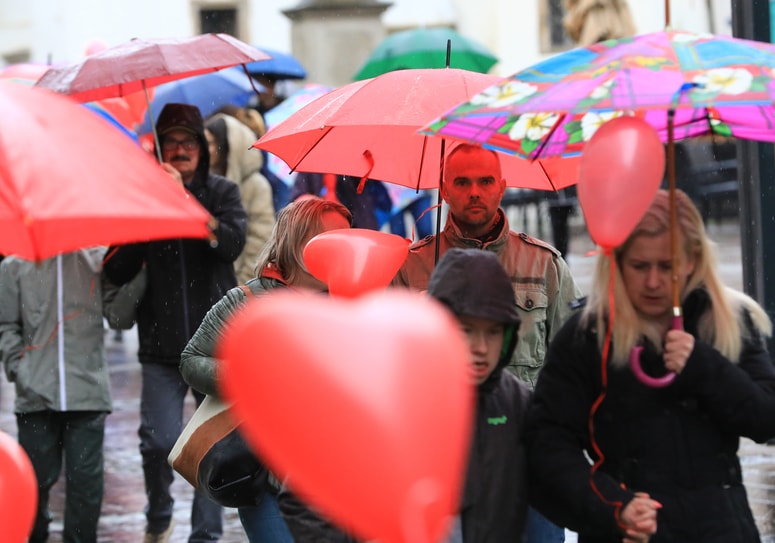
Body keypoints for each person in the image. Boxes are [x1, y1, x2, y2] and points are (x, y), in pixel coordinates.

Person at [526, 189, 775, 542]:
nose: (654, 282)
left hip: (721, 528)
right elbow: (547, 446)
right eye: (640, 267)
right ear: (617, 261)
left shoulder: (724, 321)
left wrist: (704, 366)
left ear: (692, 260)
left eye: (668, 266)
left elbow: (766, 419)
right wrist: (613, 506)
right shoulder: (589, 335)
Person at [392, 143, 580, 542]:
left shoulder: (543, 263)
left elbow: (571, 363)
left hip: (530, 453)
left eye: (484, 181)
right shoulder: (412, 267)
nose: (474, 192)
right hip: (447, 459)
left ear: (502, 187)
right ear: (443, 189)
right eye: (461, 182)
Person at [102, 102, 247, 543]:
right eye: (171, 142)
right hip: (161, 345)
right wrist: (150, 215)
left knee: (213, 447)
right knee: (158, 440)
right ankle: (159, 512)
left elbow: (231, 244)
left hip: (213, 346)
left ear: (202, 148)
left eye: (188, 141)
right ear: (159, 150)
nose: (181, 149)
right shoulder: (141, 197)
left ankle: (205, 534)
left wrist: (184, 204)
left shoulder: (222, 191)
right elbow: (116, 269)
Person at [180, 197, 353, 543]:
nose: (345, 252)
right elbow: (192, 360)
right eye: (333, 242)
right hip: (271, 486)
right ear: (298, 242)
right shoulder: (247, 301)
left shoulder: (352, 303)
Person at [0, 249, 113, 543]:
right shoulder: (15, 266)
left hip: (87, 395)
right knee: (33, 487)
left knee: (86, 490)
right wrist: (20, 370)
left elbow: (120, 316)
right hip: (35, 398)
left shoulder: (99, 261)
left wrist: (133, 267)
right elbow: (6, 326)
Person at [427, 248, 532, 542]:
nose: (481, 348)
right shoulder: (396, 399)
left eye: (494, 332)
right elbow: (309, 499)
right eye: (466, 330)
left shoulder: (518, 402)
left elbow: (555, 488)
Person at [205, 113, 276, 284]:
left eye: (212, 143)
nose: (206, 149)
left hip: (238, 288)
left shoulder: (257, 186)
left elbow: (260, 241)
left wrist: (242, 287)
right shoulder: (206, 183)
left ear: (228, 146)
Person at [290, 172, 392, 231]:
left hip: (356, 226)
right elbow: (298, 196)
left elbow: (362, 190)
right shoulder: (309, 169)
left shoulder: (353, 164)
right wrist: (315, 203)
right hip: (322, 228)